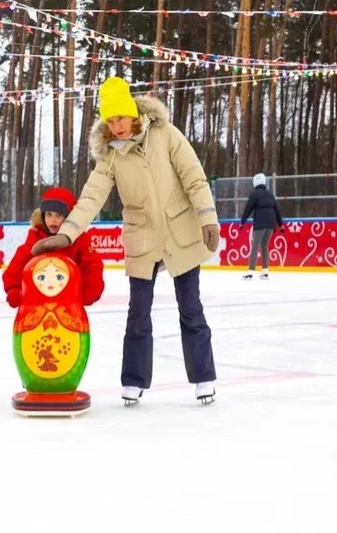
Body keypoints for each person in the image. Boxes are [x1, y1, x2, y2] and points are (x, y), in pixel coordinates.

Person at [31, 76, 220, 406]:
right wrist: (66, 233)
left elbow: (194, 177)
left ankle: (204, 377)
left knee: (191, 308)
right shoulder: (111, 156)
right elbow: (91, 198)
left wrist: (207, 217)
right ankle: (134, 380)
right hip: (142, 235)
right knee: (138, 313)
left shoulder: (165, 135)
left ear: (132, 113)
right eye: (109, 120)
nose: (116, 126)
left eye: (119, 117)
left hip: (179, 230)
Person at [3, 187, 105, 308]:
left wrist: (90, 290)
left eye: (59, 215)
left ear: (68, 217)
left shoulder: (78, 238)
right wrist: (13, 289)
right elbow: (18, 263)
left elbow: (92, 264)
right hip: (39, 299)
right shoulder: (36, 236)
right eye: (49, 214)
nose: (53, 220)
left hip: (69, 300)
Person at [240, 172, 284, 280]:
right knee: (264, 246)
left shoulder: (255, 195)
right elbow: (277, 210)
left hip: (260, 223)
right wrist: (280, 224)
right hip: (271, 223)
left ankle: (250, 270)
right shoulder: (270, 195)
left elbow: (248, 208)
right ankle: (265, 270)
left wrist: (242, 221)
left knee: (255, 246)